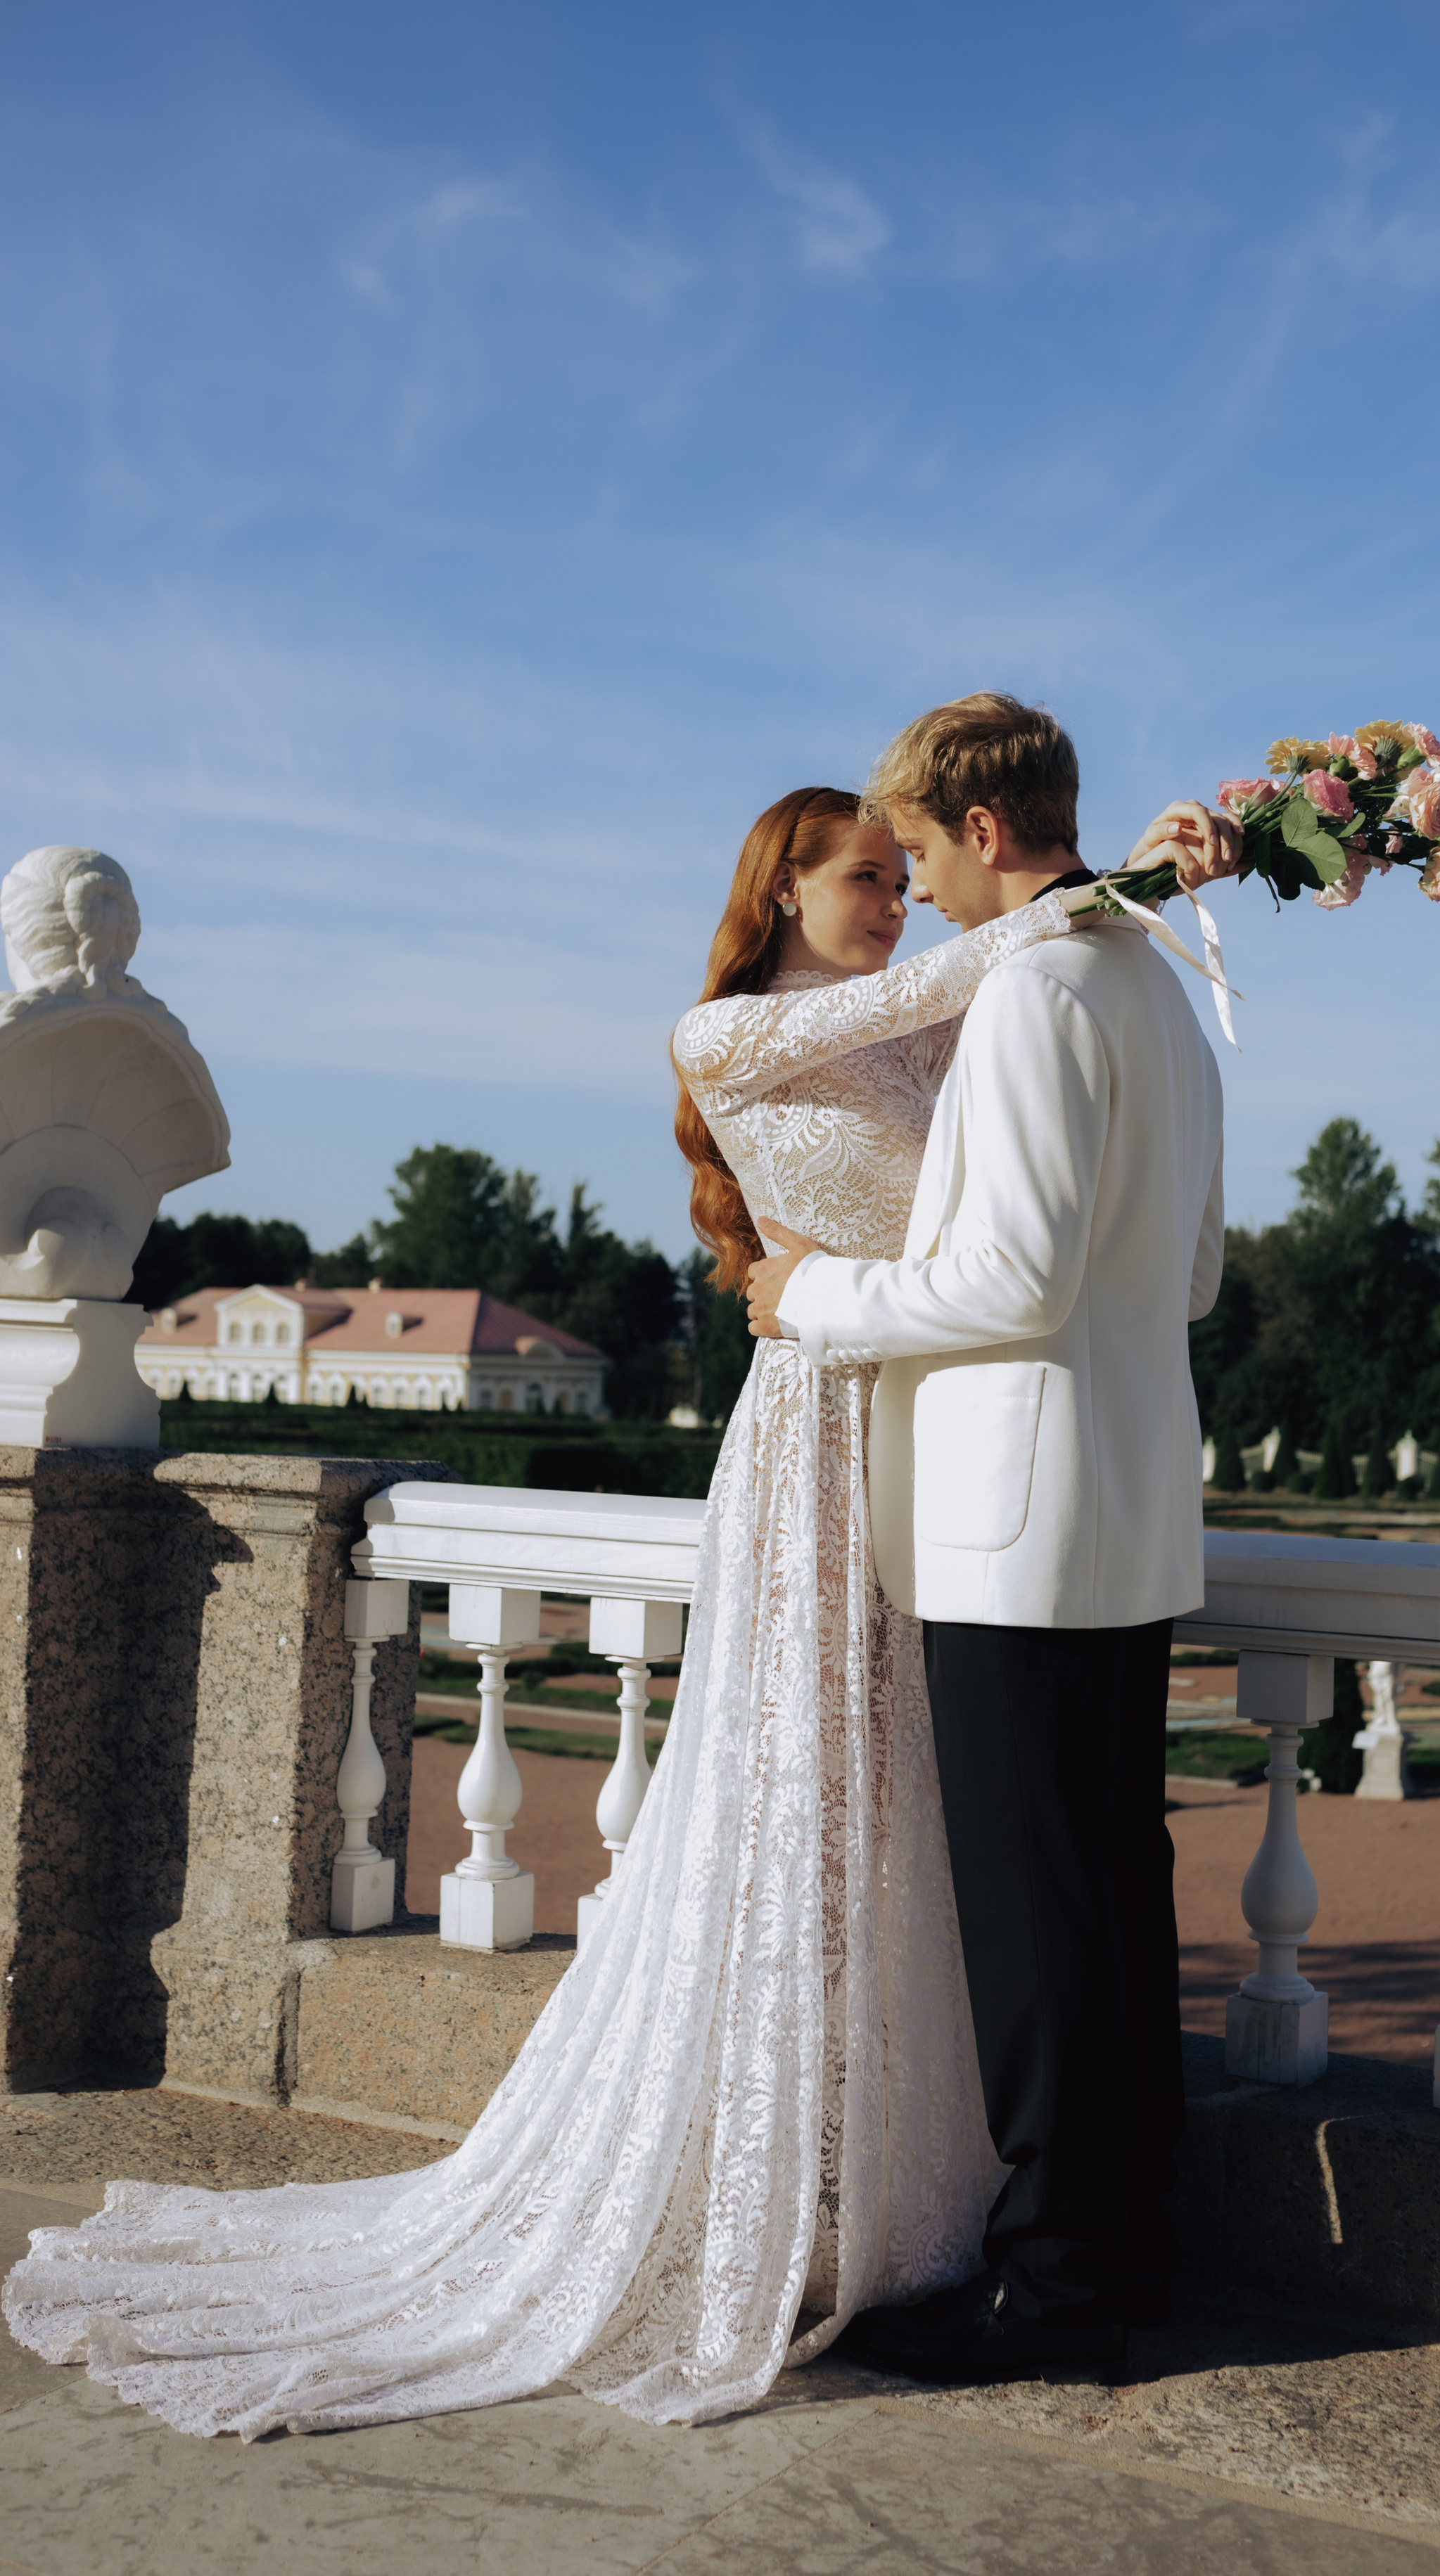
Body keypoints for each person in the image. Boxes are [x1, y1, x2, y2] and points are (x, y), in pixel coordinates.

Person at [2, 776, 1173, 2436]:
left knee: (913, 1813)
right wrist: (1103, 889)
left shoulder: (950, 1024)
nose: (896, 901)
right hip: (818, 1440)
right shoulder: (725, 1031)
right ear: (777, 889)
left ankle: (888, 2168)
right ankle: (773, 2168)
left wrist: (1089, 907)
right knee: (800, 1797)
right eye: (863, 875)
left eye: (904, 877)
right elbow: (941, 986)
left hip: (936, 1426)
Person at [748, 697, 1233, 2383]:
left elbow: (1007, 1282)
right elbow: (1188, 1280)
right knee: (1113, 1888)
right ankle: (1127, 2244)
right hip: (1124, 1499)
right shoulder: (1158, 987)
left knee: (1036, 1919)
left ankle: (1051, 2287)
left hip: (1009, 1519)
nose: (926, 888)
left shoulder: (1033, 990)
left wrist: (808, 1292)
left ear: (976, 821)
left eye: (924, 848)